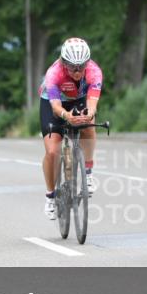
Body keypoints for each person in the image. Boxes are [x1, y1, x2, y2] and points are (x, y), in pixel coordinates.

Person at [39, 38, 103, 220]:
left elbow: (92, 102)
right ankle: (50, 195)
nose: (77, 71)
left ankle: (88, 171)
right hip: (54, 103)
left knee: (89, 125)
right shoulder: (54, 74)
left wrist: (88, 114)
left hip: (79, 99)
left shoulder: (94, 72)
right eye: (73, 67)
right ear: (63, 63)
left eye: (81, 66)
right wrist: (67, 116)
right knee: (52, 151)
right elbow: (56, 107)